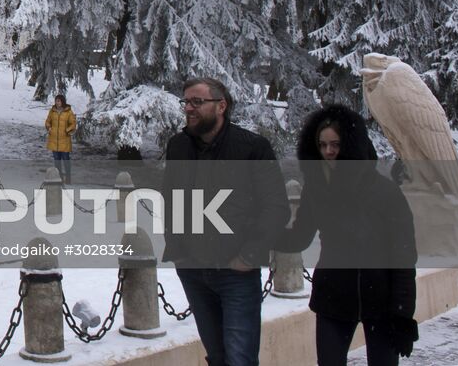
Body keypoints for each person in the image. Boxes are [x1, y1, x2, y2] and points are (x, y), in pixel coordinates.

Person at [275, 105, 418, 366]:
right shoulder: (316, 188)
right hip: (333, 297)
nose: (329, 152)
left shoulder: (385, 192)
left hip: (381, 300)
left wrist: (403, 314)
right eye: (322, 145)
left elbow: (404, 254)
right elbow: (299, 237)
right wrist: (263, 233)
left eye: (336, 144)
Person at [162, 77, 289, 366]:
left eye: (197, 102)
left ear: (221, 105)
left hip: (236, 272)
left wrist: (249, 255)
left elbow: (276, 208)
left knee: (240, 358)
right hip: (194, 270)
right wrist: (179, 250)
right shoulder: (178, 146)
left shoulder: (252, 148)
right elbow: (171, 200)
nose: (189, 108)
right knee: (217, 357)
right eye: (186, 102)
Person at [44, 94, 76, 184]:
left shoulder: (68, 112)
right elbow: (47, 121)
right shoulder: (52, 111)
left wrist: (67, 130)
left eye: (59, 101)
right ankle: (59, 177)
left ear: (62, 101)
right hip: (54, 140)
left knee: (66, 160)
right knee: (57, 161)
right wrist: (49, 127)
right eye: (56, 101)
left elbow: (73, 124)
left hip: (64, 140)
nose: (57, 103)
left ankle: (68, 178)